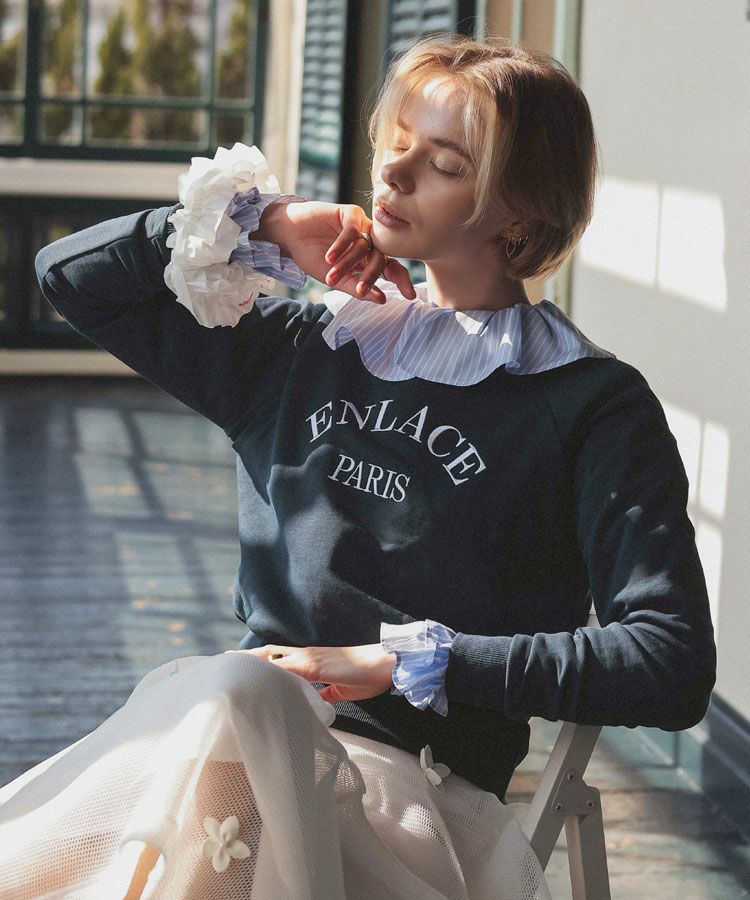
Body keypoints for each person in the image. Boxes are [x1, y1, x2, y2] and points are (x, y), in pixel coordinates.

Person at [0, 31, 716, 900]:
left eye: (443, 163)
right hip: (237, 753)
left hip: (411, 801)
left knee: (228, 701)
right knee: (234, 698)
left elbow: (669, 661)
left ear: (521, 212)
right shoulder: (305, 349)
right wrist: (268, 225)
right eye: (396, 144)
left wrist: (408, 661)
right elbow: (70, 277)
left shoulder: (587, 404)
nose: (394, 174)